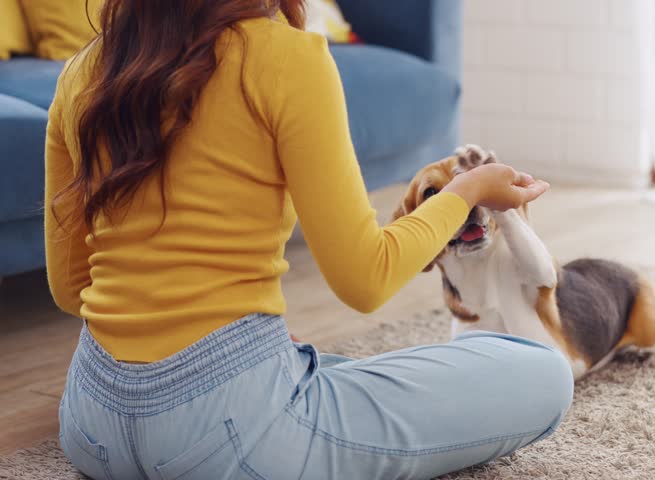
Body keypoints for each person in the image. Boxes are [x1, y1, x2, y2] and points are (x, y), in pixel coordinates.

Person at [45, 1, 573, 478]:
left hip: (91, 424)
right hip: (230, 437)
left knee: (338, 371)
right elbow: (366, 278)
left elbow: (72, 289)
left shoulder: (83, 70)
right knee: (542, 372)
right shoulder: (286, 59)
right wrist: (466, 191)